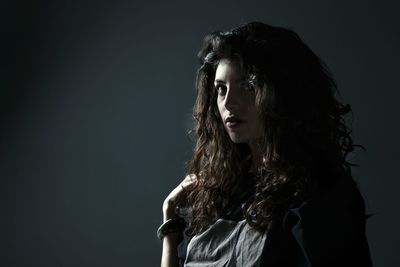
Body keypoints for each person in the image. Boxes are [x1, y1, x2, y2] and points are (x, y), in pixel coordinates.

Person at [159, 21, 373, 267]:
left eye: (247, 86)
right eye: (221, 89)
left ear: (282, 95)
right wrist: (170, 221)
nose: (229, 103)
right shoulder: (219, 193)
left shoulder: (320, 192)